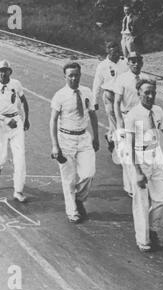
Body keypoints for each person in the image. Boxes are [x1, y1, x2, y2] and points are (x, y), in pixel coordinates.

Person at [50, 62, 100, 224]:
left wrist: (96, 137)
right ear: (65, 77)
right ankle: (72, 211)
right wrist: (55, 145)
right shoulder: (60, 95)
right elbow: (53, 121)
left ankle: (78, 198)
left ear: (80, 75)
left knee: (88, 173)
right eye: (70, 75)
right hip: (66, 140)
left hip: (84, 137)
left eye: (76, 75)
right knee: (69, 179)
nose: (74, 78)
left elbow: (92, 115)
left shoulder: (86, 92)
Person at [125, 79, 163, 253]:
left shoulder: (157, 111)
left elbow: (162, 136)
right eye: (146, 93)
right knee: (142, 202)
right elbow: (130, 145)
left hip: (156, 156)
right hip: (139, 158)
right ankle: (143, 239)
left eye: (153, 93)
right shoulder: (133, 115)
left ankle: (153, 230)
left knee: (162, 198)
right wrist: (137, 172)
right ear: (139, 94)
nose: (150, 96)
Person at [0, 60, 30, 202]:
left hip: (15, 122)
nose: (3, 73)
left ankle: (18, 190)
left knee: (20, 156)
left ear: (10, 71)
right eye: (0, 70)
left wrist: (26, 118)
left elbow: (24, 101)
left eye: (6, 70)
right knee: (0, 153)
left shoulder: (16, 84)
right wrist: (4, 119)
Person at [114, 51, 145, 197]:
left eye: (138, 61)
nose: (135, 64)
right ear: (128, 63)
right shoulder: (122, 79)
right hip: (127, 118)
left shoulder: (146, 79)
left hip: (142, 119)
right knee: (128, 154)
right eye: (132, 61)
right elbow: (117, 102)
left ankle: (141, 181)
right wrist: (119, 121)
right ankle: (131, 187)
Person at [92, 40, 127, 153]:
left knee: (123, 120)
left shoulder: (125, 62)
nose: (116, 55)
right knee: (114, 120)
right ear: (107, 52)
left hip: (123, 96)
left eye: (117, 52)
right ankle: (118, 146)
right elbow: (96, 84)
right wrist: (94, 100)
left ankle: (110, 136)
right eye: (113, 52)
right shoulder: (102, 66)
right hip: (109, 95)